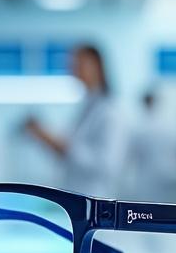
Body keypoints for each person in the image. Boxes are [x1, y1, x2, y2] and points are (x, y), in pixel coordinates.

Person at [26, 43, 127, 196]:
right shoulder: (86, 105)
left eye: (79, 63)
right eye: (72, 64)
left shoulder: (110, 110)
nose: (73, 69)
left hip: (95, 197)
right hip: (74, 194)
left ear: (97, 66)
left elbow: (108, 165)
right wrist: (48, 140)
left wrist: (64, 147)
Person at [127, 90, 175, 199]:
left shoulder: (139, 126)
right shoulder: (166, 124)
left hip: (148, 174)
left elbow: (132, 152)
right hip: (159, 172)